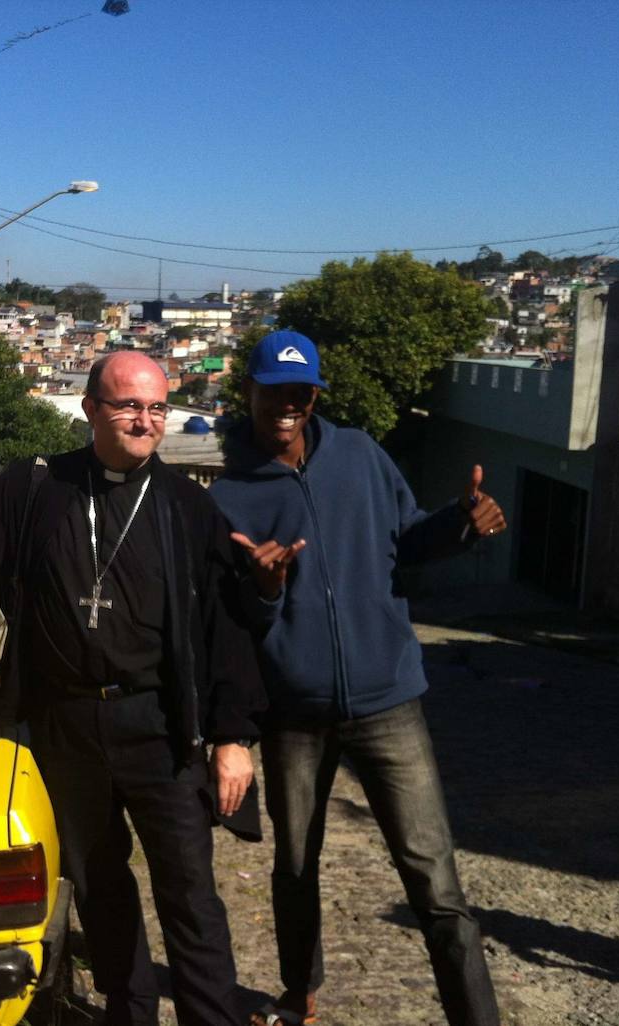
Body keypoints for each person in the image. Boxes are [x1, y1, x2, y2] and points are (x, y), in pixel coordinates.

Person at [0, 351, 264, 1026]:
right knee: (100, 886)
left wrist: (234, 737)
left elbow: (228, 631)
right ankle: (128, 1013)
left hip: (159, 726)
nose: (145, 420)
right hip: (68, 724)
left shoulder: (188, 507)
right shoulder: (38, 488)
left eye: (157, 408)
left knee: (189, 891)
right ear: (91, 410)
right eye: (129, 406)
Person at [209, 331, 506, 1026]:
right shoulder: (226, 496)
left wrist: (462, 524)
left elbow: (407, 543)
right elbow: (232, 620)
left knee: (436, 884)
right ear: (246, 392)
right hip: (293, 709)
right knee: (295, 867)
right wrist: (266, 588)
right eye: (274, 390)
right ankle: (298, 992)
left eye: (301, 391)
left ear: (315, 395)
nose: (288, 403)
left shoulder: (362, 455)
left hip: (388, 701)